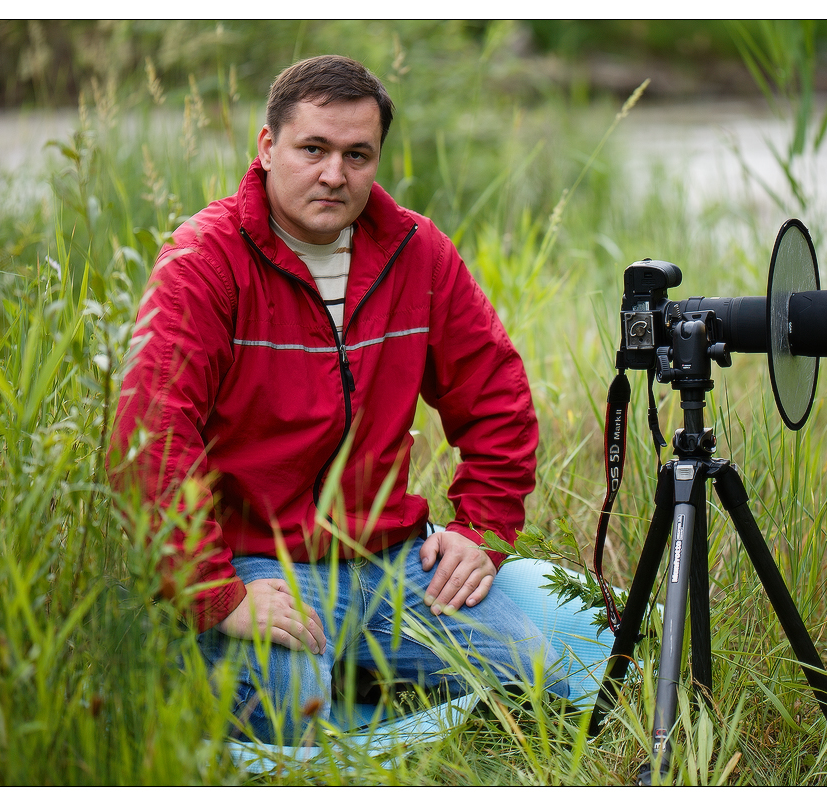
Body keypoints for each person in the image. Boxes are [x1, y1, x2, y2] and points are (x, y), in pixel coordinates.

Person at [109, 54, 567, 743]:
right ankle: (255, 659)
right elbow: (152, 433)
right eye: (313, 149)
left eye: (357, 155)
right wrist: (216, 594)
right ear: (268, 147)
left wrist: (483, 531)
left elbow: (496, 393)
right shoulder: (204, 261)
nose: (334, 174)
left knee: (538, 675)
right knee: (292, 715)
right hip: (259, 562)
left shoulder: (417, 251)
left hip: (390, 560)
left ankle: (357, 665)